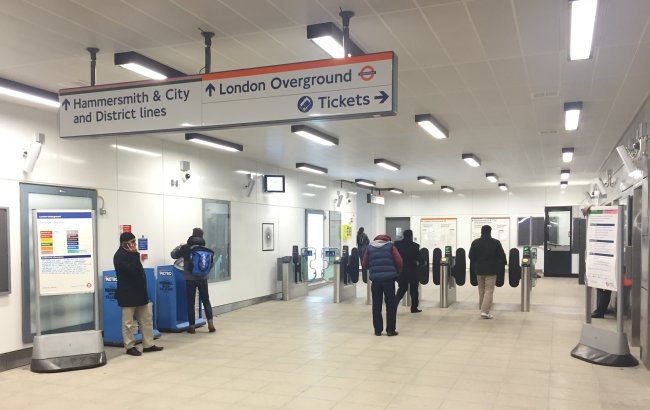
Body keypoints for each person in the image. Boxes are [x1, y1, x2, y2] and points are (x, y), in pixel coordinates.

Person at [113, 232, 163, 356]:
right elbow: (133, 271)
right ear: (124, 244)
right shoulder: (119, 256)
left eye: (134, 242)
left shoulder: (132, 254)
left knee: (146, 320)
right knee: (128, 323)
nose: (134, 245)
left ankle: (148, 344)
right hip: (127, 294)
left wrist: (135, 254)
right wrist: (135, 254)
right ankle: (130, 346)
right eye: (132, 242)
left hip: (140, 293)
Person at [171, 228, 216, 334]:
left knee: (191, 303)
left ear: (192, 234)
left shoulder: (185, 248)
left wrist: (178, 247)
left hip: (190, 279)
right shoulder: (206, 249)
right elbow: (211, 264)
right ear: (202, 236)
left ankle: (192, 327)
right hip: (203, 279)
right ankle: (210, 324)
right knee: (206, 301)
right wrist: (205, 271)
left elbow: (173, 255)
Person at [362, 234, 403, 336]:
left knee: (376, 305)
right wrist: (397, 272)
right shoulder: (391, 246)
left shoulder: (369, 248)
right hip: (389, 280)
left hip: (375, 281)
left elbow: (364, 263)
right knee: (390, 305)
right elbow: (399, 261)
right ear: (387, 240)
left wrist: (373, 269)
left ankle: (377, 330)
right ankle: (390, 330)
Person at [468, 225, 507, 319]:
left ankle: (482, 308)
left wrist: (477, 262)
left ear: (481, 232)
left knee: (481, 290)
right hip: (491, 271)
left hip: (479, 271)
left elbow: (470, 256)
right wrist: (504, 262)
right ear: (490, 232)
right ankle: (484, 311)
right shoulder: (496, 243)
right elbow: (502, 255)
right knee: (489, 290)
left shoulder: (475, 242)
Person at [394, 230, 425, 313]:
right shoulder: (415, 246)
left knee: (401, 289)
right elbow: (420, 259)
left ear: (403, 235)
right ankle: (414, 308)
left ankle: (394, 306)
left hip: (401, 271)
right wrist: (421, 263)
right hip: (412, 271)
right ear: (411, 235)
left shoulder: (397, 244)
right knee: (414, 290)